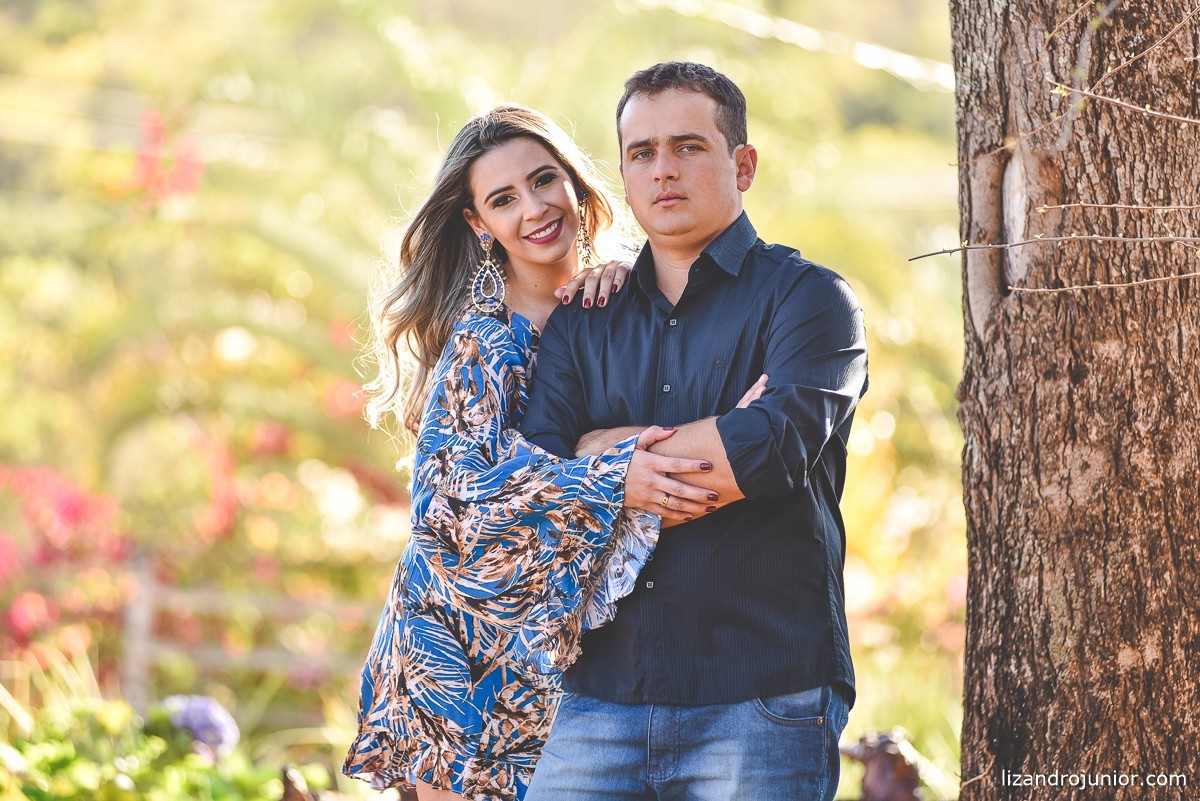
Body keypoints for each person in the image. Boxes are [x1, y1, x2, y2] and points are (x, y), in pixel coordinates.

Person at [342, 104, 763, 801]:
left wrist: (605, 443)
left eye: (545, 181)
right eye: (504, 199)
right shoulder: (484, 345)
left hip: (561, 657)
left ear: (575, 183)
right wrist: (605, 468)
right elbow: (453, 508)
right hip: (459, 644)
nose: (535, 208)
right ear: (479, 225)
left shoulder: (623, 300)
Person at [521, 63, 870, 801]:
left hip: (761, 701)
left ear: (743, 164)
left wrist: (603, 454)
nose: (663, 170)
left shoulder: (810, 301)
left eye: (688, 146)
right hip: (593, 702)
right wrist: (644, 457)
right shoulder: (582, 320)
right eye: (642, 152)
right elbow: (541, 477)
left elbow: (769, 448)